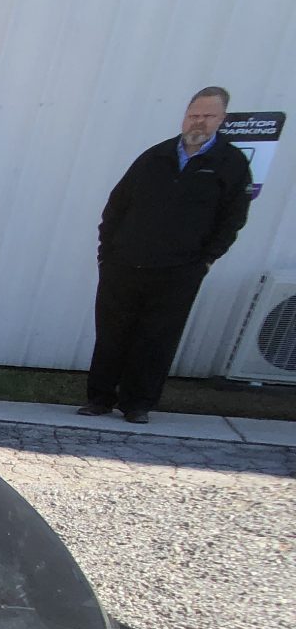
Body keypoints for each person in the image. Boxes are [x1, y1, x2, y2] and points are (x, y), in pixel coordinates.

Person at [82, 87, 251, 423]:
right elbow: (116, 206)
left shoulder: (230, 164)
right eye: (194, 114)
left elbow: (232, 220)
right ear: (184, 116)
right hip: (125, 265)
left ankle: (138, 404)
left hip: (179, 271)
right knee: (112, 333)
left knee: (156, 339)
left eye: (208, 116)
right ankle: (99, 398)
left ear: (222, 119)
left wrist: (204, 260)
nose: (199, 121)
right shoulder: (154, 157)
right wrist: (108, 254)